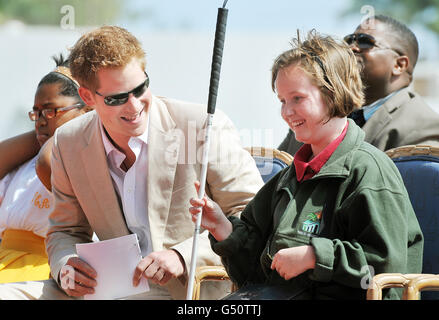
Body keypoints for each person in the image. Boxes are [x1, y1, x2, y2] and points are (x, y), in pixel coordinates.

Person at [0, 25, 263, 300]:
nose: (135, 106)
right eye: (117, 98)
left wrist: (182, 255)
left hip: (189, 290)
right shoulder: (69, 141)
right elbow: (65, 231)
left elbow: (254, 220)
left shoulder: (203, 127)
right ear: (88, 97)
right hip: (102, 290)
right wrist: (66, 265)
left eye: (141, 88)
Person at [190, 30, 423, 300]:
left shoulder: (369, 171)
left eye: (297, 98)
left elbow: (387, 270)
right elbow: (254, 273)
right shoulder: (289, 178)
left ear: (333, 92)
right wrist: (222, 227)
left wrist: (315, 256)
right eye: (282, 101)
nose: (286, 111)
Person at [278, 15, 439, 155]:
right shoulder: (314, 115)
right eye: (349, 40)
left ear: (399, 65)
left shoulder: (423, 126)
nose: (352, 48)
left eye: (364, 41)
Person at [0, 55, 91, 283]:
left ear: (86, 110)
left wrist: (87, 119)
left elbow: (47, 164)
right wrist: (48, 124)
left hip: (43, 271)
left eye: (51, 111)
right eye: (36, 113)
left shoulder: (83, 161)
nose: (40, 120)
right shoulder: (23, 162)